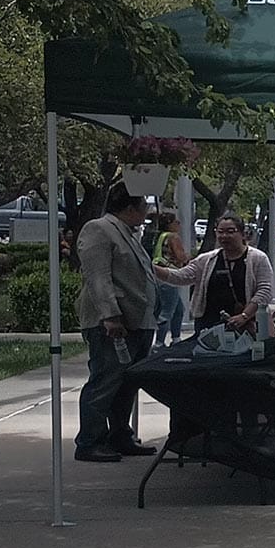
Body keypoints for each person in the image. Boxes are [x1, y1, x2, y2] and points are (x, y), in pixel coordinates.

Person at [74, 188, 158, 462]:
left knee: (127, 384)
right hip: (113, 323)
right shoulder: (99, 229)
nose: (147, 211)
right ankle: (90, 441)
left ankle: (121, 435)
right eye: (143, 204)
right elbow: (99, 276)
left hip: (138, 322)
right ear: (130, 207)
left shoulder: (130, 233)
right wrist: (110, 315)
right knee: (105, 381)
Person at [157, 214, 275, 337]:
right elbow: (181, 276)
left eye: (230, 231)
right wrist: (152, 269)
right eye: (220, 232)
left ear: (243, 234)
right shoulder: (207, 259)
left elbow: (265, 291)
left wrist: (244, 316)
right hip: (208, 327)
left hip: (245, 328)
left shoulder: (258, 258)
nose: (224, 236)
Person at [148, 212, 190, 345]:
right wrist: (189, 258)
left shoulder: (160, 236)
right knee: (167, 312)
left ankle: (176, 339)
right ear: (169, 224)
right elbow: (180, 257)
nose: (179, 224)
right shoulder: (173, 237)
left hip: (158, 274)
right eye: (176, 222)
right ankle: (160, 342)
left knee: (179, 310)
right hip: (169, 276)